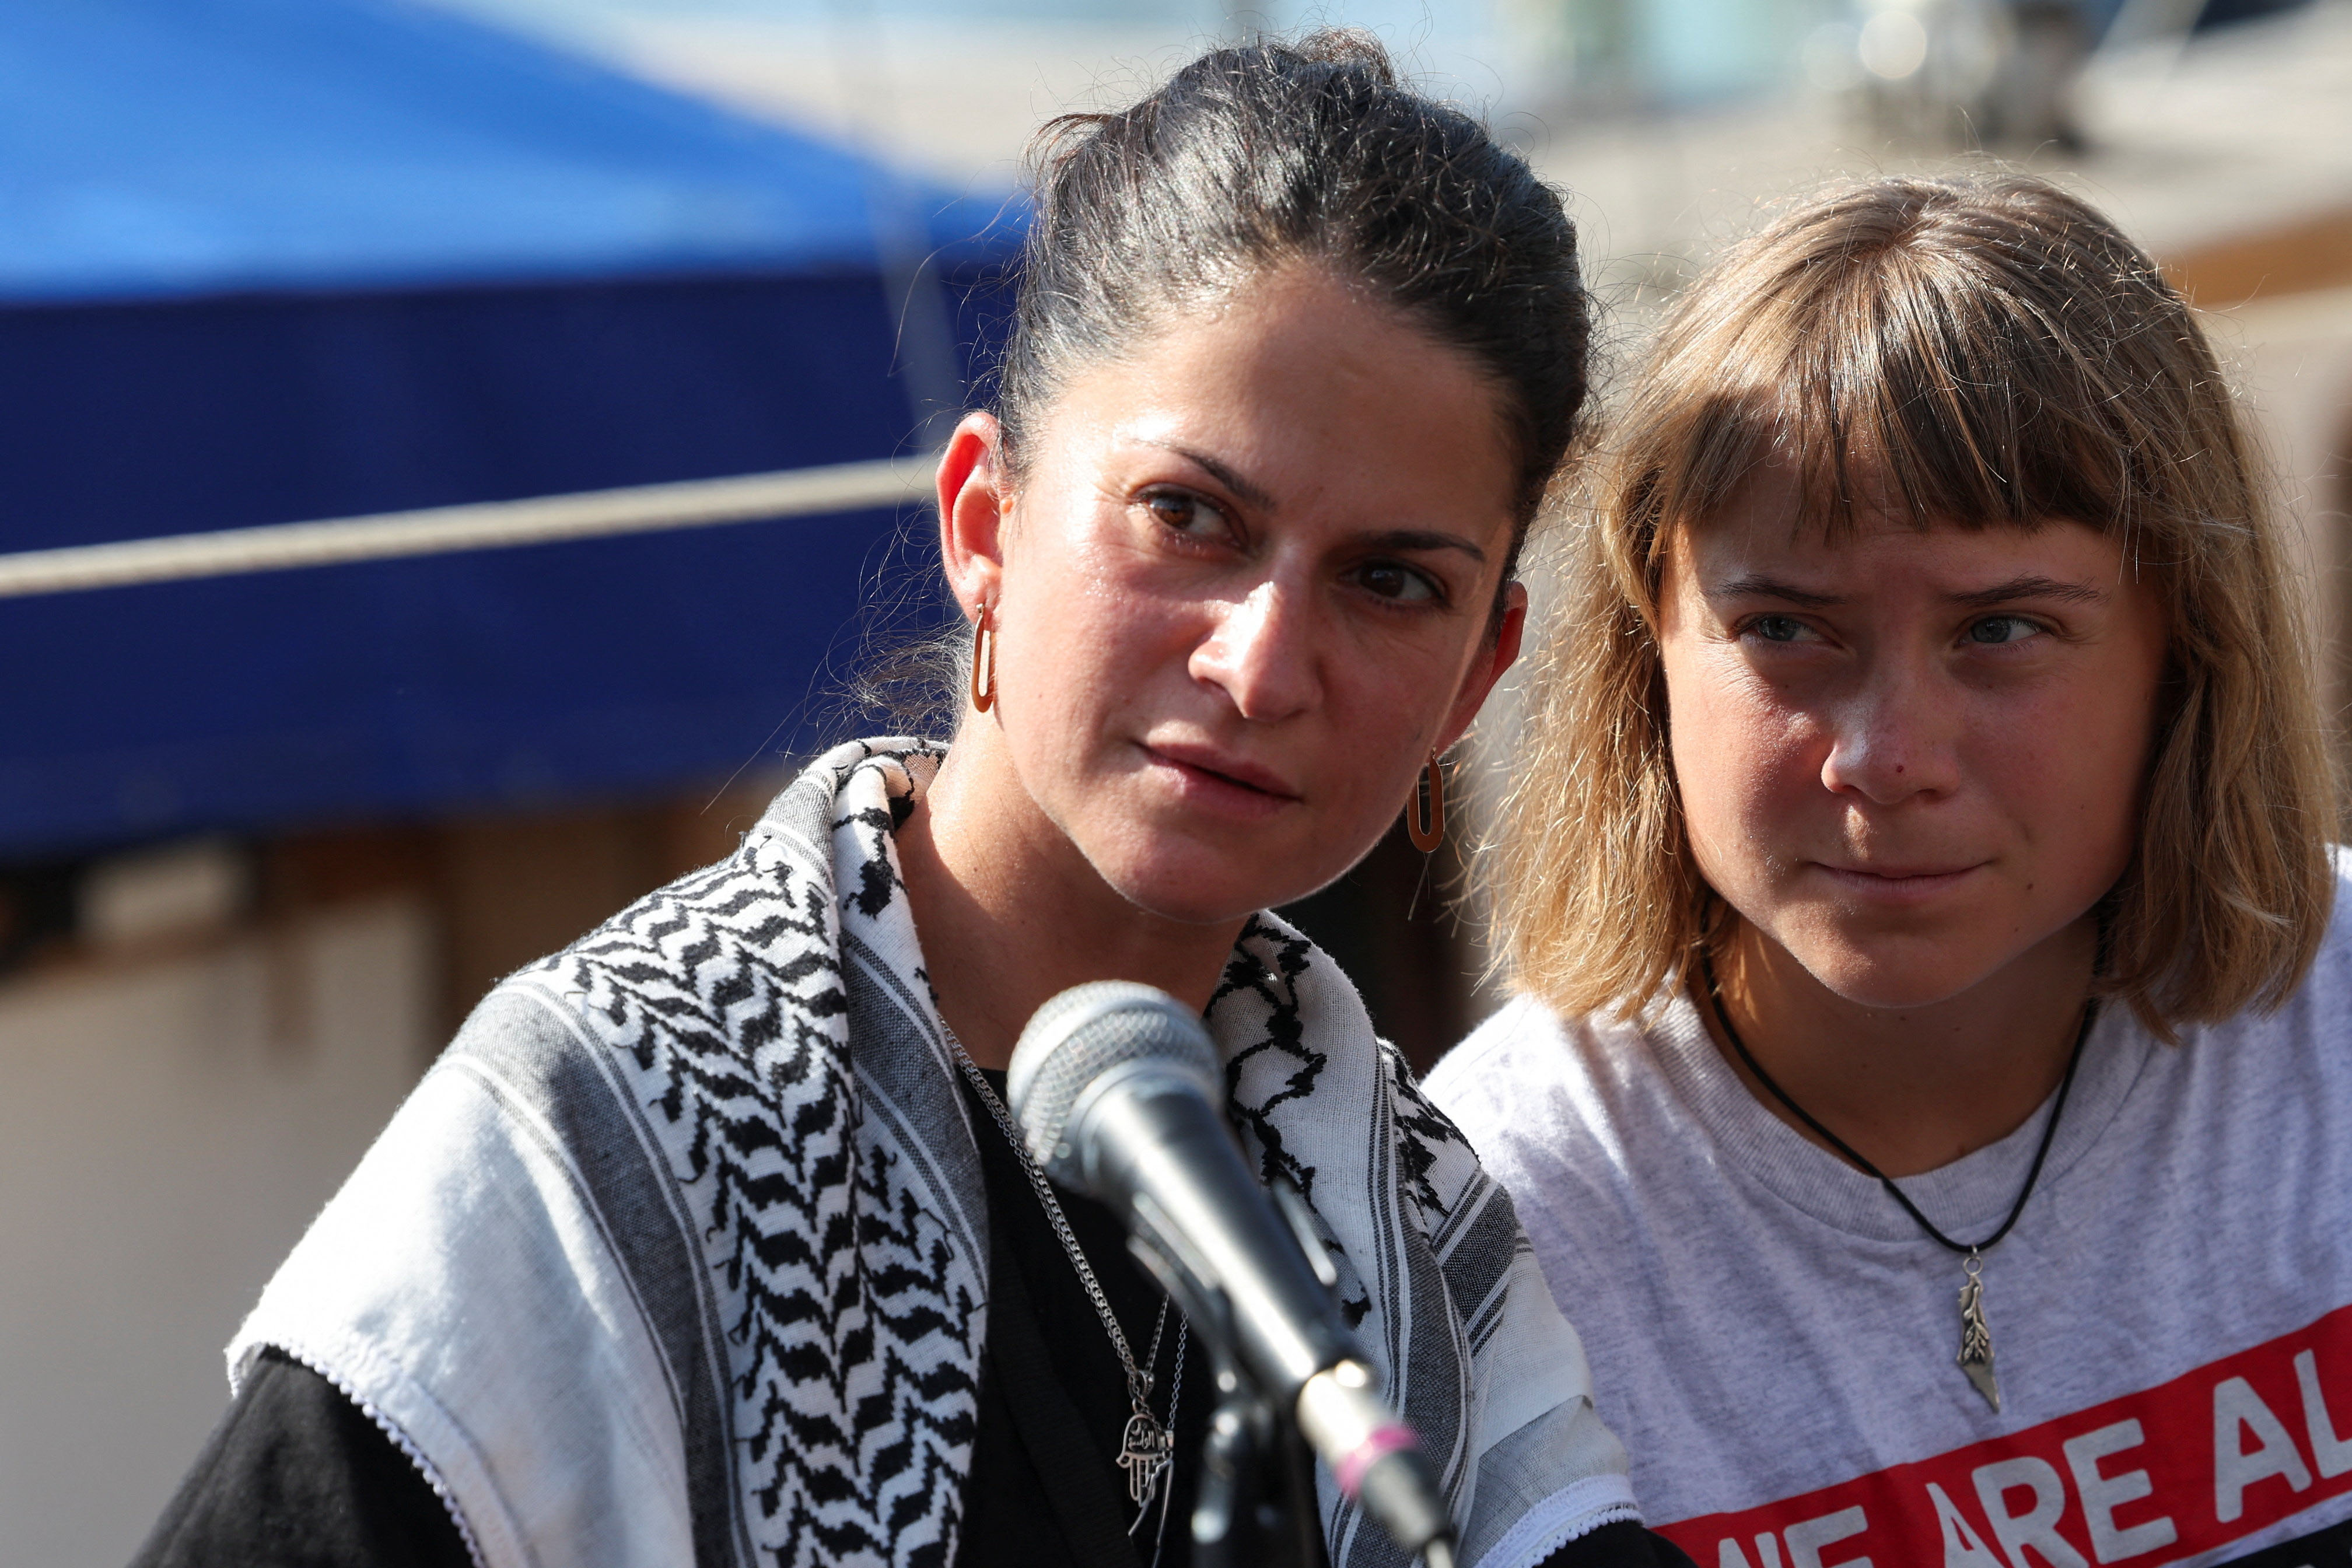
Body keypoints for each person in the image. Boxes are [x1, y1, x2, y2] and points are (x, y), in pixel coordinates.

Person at [132, 33, 1702, 1568]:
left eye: (1390, 581)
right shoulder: (611, 1122)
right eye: (1190, 517)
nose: (1264, 660)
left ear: (1482, 670)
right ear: (984, 524)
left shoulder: (1413, 1219)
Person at [1425, 170, 2352, 1564]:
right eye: (1790, 629)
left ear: (2187, 651)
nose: (1887, 755)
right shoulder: (1490, 1211)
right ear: (1646, 651)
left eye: (2003, 632)